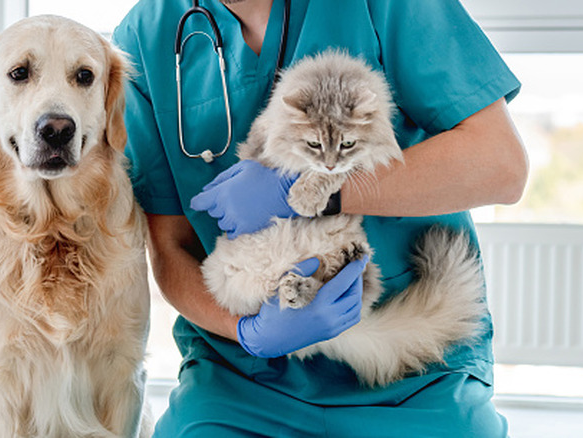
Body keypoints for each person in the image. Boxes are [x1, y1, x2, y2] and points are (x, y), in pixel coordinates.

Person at [112, 0, 528, 436]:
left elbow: (501, 166)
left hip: (416, 373)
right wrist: (250, 332)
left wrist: (319, 193)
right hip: (240, 375)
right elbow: (169, 249)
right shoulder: (147, 35)